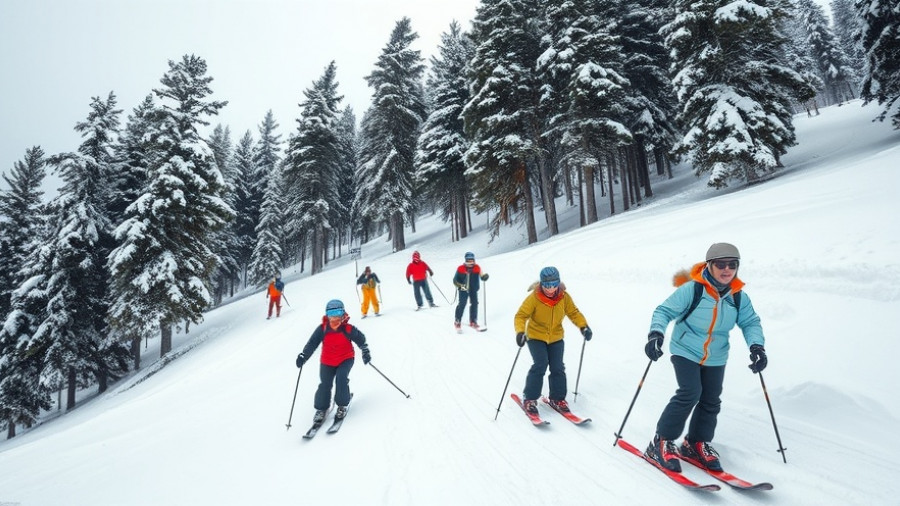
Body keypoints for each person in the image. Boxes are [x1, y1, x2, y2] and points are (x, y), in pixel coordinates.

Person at [643, 243, 767, 473]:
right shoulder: (693, 289)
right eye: (721, 264)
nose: (727, 269)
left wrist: (757, 346)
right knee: (690, 392)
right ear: (709, 265)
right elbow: (664, 311)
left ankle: (695, 443)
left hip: (716, 355)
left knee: (711, 399)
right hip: (685, 348)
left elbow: (750, 322)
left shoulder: (738, 296)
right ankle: (661, 441)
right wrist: (655, 334)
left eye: (732, 264)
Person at [513, 266, 591, 415]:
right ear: (541, 284)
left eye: (554, 284)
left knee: (557, 367)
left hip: (556, 337)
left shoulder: (564, 297)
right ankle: (529, 398)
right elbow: (521, 316)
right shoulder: (534, 298)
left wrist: (583, 327)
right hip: (536, 336)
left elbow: (574, 313)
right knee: (540, 364)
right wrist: (520, 332)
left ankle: (557, 398)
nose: (551, 289)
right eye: (547, 285)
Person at [295, 299, 371, 422]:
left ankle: (342, 405)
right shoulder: (323, 329)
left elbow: (360, 338)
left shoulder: (347, 329)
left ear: (343, 313)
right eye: (331, 314)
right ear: (327, 315)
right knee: (325, 384)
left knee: (341, 379)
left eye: (337, 313)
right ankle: (321, 408)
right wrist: (304, 355)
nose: (334, 317)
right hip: (327, 361)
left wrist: (365, 351)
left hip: (345, 358)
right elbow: (312, 343)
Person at [452, 252, 489, 330]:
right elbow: (455, 280)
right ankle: (457, 320)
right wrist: (460, 286)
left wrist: (484, 277)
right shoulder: (460, 268)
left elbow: (482, 276)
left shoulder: (477, 267)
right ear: (465, 260)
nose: (470, 262)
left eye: (472, 260)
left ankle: (473, 321)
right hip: (463, 289)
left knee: (474, 303)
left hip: (473, 289)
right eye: (468, 261)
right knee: (462, 304)